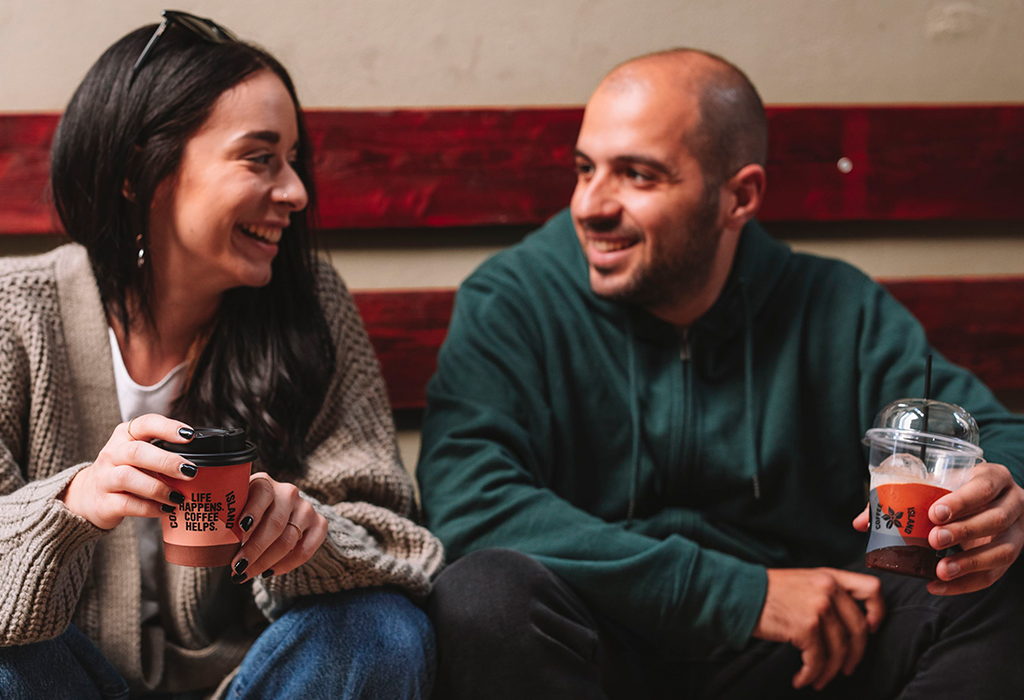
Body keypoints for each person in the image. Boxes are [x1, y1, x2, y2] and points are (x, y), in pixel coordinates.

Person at [417, 48, 1024, 699]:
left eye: (639, 176)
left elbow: (996, 437)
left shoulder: (836, 308)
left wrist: (998, 501)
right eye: (585, 169)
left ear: (740, 196)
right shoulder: (514, 301)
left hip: (810, 657)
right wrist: (740, 594)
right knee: (480, 597)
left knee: (1001, 575)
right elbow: (471, 500)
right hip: (599, 648)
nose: (589, 206)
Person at [0, 12, 442, 700]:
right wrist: (71, 504)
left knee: (379, 628)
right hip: (66, 682)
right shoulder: (14, 313)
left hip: (257, 683)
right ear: (137, 170)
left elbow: (394, 544)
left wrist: (310, 537)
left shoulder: (311, 304)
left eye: (294, 161)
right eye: (260, 157)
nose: (295, 191)